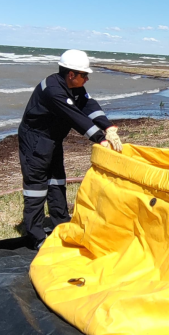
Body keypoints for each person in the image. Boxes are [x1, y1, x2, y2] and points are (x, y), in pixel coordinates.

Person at [18, 49, 121, 249]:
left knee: (57, 182)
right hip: (36, 141)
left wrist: (108, 127)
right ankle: (37, 237)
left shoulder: (75, 87)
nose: (87, 78)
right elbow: (74, 116)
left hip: (53, 140)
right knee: (36, 188)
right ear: (71, 74)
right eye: (84, 75)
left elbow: (89, 105)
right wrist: (100, 138)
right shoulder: (53, 90)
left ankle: (62, 225)